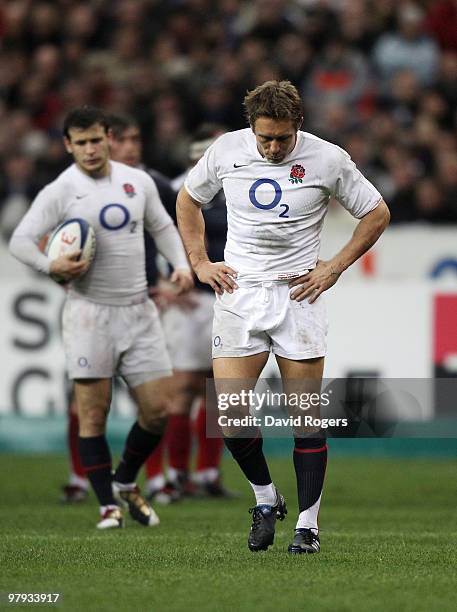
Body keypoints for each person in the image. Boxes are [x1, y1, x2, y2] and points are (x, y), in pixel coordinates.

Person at [176, 80, 390, 554]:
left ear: (299, 126)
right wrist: (199, 262)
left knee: (304, 416)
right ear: (251, 127)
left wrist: (333, 267)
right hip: (240, 293)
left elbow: (376, 212)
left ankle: (308, 526)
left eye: (282, 138)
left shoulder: (328, 158)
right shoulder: (226, 150)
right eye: (264, 138)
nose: (272, 148)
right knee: (230, 416)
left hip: (298, 295)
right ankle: (265, 498)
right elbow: (189, 200)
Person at [9, 106, 193, 529]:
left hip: (139, 309)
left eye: (96, 140)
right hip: (89, 314)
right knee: (94, 413)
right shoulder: (62, 190)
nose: (90, 150)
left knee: (158, 411)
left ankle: (126, 479)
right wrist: (50, 267)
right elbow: (20, 240)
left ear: (108, 138)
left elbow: (163, 227)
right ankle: (108, 505)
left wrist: (180, 266)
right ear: (67, 145)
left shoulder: (137, 181)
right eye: (81, 142)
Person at [59, 112, 178, 504]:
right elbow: (54, 236)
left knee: (155, 402)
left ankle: (154, 478)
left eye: (135, 141)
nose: (129, 148)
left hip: (140, 302)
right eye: (122, 140)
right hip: (91, 303)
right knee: (86, 401)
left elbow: (174, 227)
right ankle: (83, 480)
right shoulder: (74, 187)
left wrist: (172, 272)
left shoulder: (152, 184)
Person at [144, 124, 233, 501]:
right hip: (190, 297)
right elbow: (151, 233)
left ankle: (208, 473)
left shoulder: (241, 184)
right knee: (180, 388)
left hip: (230, 297)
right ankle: (178, 473)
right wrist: (164, 280)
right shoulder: (176, 189)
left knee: (220, 392)